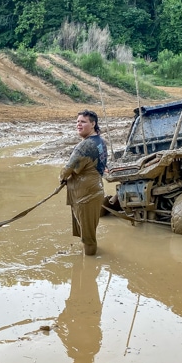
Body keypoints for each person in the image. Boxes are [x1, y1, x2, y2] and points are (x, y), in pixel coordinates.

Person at [59, 109, 108, 256]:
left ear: (93, 124)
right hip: (95, 191)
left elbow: (66, 171)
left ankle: (89, 270)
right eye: (77, 122)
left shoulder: (84, 146)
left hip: (85, 197)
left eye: (83, 122)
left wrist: (62, 178)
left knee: (88, 239)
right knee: (88, 233)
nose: (79, 125)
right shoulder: (100, 141)